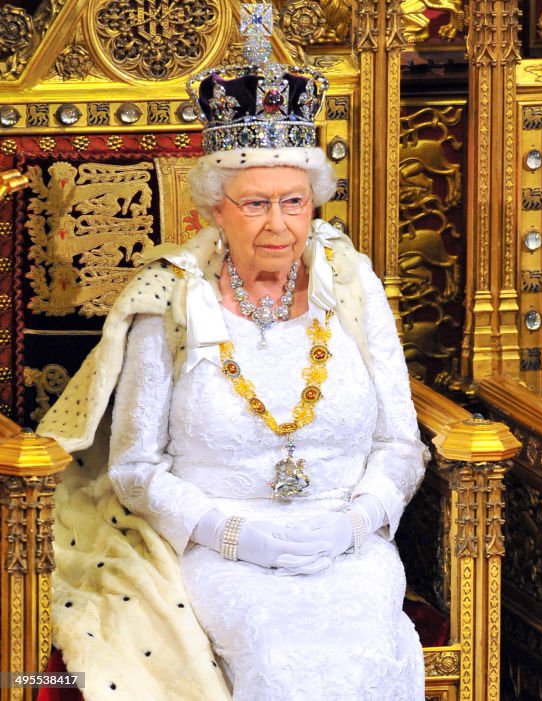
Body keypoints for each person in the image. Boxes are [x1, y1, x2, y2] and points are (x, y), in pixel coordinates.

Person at [37, 25, 426, 701]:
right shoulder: (172, 299)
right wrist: (233, 533)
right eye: (256, 203)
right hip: (220, 554)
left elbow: (401, 441)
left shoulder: (354, 286)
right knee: (277, 656)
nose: (278, 224)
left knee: (366, 644)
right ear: (217, 208)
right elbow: (133, 467)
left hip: (351, 550)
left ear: (314, 202)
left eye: (294, 201)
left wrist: (357, 521)